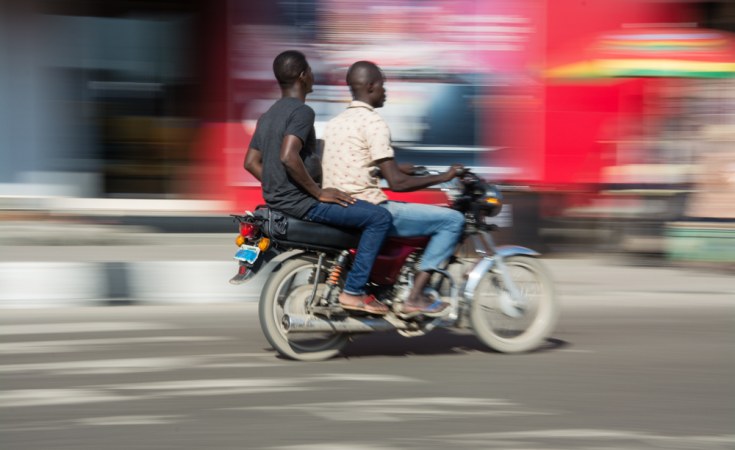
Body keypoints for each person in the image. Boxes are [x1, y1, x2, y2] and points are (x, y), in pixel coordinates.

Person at [244, 51, 392, 315]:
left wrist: (278, 184)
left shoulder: (268, 115)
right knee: (379, 218)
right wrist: (318, 192)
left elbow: (251, 162)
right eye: (310, 71)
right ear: (303, 76)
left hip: (281, 203)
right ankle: (354, 292)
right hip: (305, 204)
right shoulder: (302, 111)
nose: (313, 75)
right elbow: (288, 156)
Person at [321, 60, 465, 318]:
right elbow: (398, 184)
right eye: (383, 85)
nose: (385, 91)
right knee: (452, 220)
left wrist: (396, 169)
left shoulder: (335, 123)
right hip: (369, 206)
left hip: (340, 207)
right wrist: (446, 176)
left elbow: (354, 167)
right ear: (370, 86)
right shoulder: (373, 122)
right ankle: (415, 296)